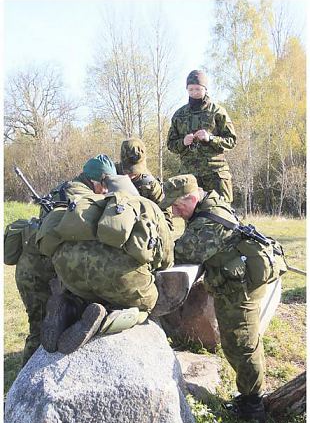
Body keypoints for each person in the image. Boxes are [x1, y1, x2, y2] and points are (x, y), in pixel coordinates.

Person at [160, 174, 287, 423]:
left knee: (244, 345)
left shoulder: (209, 222)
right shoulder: (206, 208)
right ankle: (247, 396)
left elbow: (182, 251)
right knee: (232, 343)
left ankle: (253, 408)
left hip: (241, 291)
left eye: (177, 205)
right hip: (230, 287)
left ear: (193, 197)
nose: (174, 212)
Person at [38, 173, 174, 355]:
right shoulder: (146, 206)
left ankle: (68, 307)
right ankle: (105, 321)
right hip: (120, 278)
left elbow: (49, 244)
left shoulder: (85, 203)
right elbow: (165, 260)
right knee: (148, 304)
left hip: (70, 275)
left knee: (85, 293)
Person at [11, 154, 117, 365]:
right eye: (105, 185)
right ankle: (24, 389)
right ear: (96, 180)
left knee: (57, 319)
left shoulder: (68, 187)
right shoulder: (78, 195)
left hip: (48, 263)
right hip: (36, 271)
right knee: (40, 327)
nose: (106, 190)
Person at [166, 70, 237, 203]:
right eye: (190, 89)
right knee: (191, 216)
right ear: (186, 89)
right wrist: (183, 142)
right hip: (190, 176)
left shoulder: (217, 112)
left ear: (205, 89)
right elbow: (170, 144)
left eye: (198, 89)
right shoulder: (179, 115)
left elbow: (231, 140)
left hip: (215, 173)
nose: (194, 92)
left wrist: (210, 138)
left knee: (222, 214)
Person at [117, 137, 164, 205]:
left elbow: (165, 210)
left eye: (136, 170)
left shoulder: (151, 184)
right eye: (128, 170)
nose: (131, 174)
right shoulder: (113, 173)